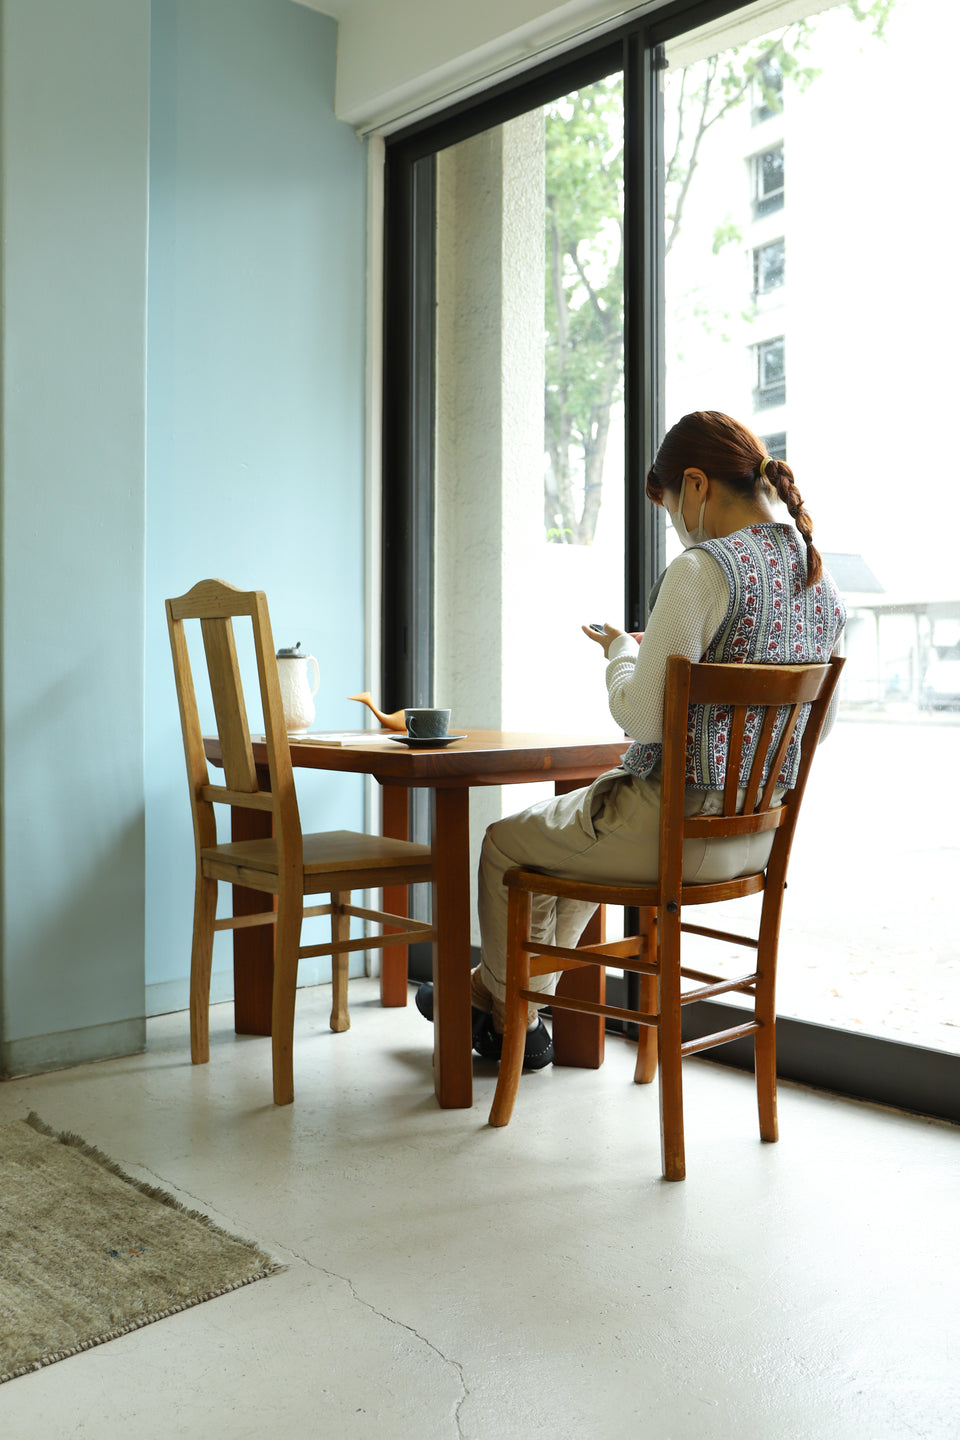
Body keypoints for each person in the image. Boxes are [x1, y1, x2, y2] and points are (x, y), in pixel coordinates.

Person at [416, 410, 846, 1068]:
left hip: (673, 829)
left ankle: (497, 1001)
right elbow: (812, 731)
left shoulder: (704, 569)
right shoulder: (820, 582)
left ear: (696, 486)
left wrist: (620, 651)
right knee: (562, 866)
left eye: (671, 507)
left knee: (504, 848)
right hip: (756, 840)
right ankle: (514, 1018)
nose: (676, 525)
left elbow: (641, 717)